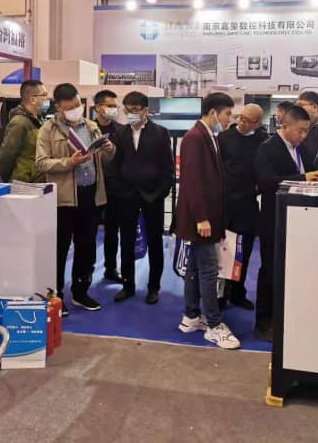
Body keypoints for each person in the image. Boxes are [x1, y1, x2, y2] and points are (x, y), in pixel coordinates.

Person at [36, 83, 116, 313]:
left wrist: (109, 149)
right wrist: (70, 162)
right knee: (60, 250)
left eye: (78, 105)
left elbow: (106, 160)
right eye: (70, 107)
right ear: (58, 107)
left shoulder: (91, 126)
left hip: (91, 195)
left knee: (86, 247)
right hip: (63, 200)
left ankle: (81, 292)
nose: (75, 110)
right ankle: (56, 296)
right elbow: (41, 163)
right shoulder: (48, 130)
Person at [173, 92, 241, 350]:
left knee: (194, 268)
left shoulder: (208, 136)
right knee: (209, 270)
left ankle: (191, 317)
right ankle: (214, 324)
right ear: (213, 113)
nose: (229, 119)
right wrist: (201, 217)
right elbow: (192, 181)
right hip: (200, 218)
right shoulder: (194, 138)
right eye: (227, 114)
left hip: (208, 215)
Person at [254, 105, 318, 341]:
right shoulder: (267, 148)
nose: (303, 135)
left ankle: (285, 317)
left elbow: (309, 172)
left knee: (291, 271)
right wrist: (302, 179)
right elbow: (266, 183)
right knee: (270, 270)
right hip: (273, 219)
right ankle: (263, 321)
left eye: (306, 131)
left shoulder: (302, 148)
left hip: (299, 220)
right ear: (285, 126)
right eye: (300, 131)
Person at [111, 91, 174, 304]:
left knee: (155, 241)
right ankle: (128, 285)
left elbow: (168, 168)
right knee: (126, 241)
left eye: (135, 110)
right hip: (127, 195)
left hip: (153, 196)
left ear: (145, 110)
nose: (131, 114)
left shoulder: (160, 133)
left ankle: (153, 287)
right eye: (127, 110)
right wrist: (119, 189)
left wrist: (161, 192)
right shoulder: (120, 133)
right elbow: (115, 164)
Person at [217, 103, 268, 310]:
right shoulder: (224, 138)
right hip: (225, 203)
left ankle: (238, 292)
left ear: (258, 123)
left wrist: (257, 187)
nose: (242, 123)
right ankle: (220, 295)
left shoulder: (263, 142)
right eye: (241, 118)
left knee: (244, 253)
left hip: (248, 204)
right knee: (223, 252)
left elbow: (265, 171)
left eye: (248, 121)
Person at [93, 89, 124, 283]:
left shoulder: (121, 130)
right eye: (109, 105)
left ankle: (111, 268)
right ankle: (85, 271)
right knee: (88, 232)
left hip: (115, 188)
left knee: (112, 231)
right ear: (98, 107)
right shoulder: (88, 128)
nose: (113, 109)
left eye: (115, 106)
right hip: (92, 187)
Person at [0, 80, 49, 183]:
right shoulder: (19, 123)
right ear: (33, 99)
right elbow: (7, 156)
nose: (47, 99)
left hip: (35, 183)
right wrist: (8, 180)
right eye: (44, 95)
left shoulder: (37, 121)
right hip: (23, 183)